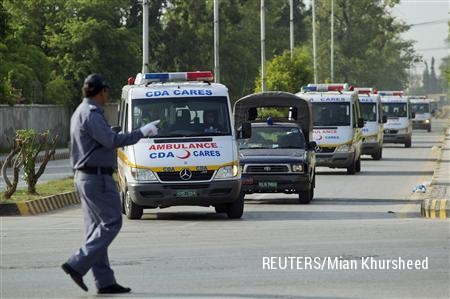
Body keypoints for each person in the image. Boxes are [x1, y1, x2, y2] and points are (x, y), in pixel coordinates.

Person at [61, 73, 159, 294]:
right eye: (106, 92)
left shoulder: (80, 111)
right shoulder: (92, 114)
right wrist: (141, 132)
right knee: (112, 223)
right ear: (101, 92)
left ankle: (104, 281)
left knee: (96, 230)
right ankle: (77, 262)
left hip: (86, 177)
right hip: (97, 178)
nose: (107, 96)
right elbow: (111, 141)